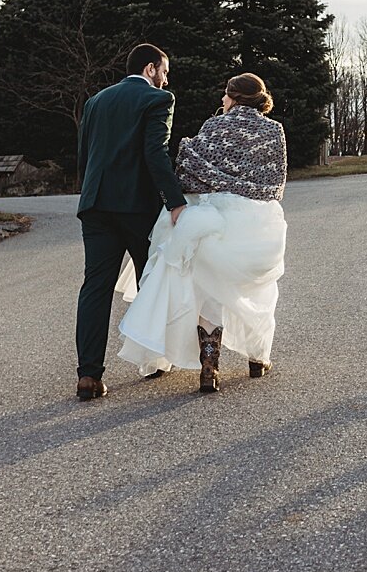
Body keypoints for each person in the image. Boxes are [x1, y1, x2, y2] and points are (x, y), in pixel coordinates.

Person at [116, 72, 288, 392]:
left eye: (225, 94)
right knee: (258, 290)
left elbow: (188, 172)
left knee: (210, 290)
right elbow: (275, 185)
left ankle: (210, 368)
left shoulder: (213, 127)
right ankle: (256, 357)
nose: (221, 100)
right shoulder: (273, 131)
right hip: (256, 222)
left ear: (234, 96)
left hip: (215, 219)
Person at [73, 43, 188, 402]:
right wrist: (176, 201)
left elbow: (84, 157)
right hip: (137, 207)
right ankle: (153, 360)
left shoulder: (95, 102)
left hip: (95, 205)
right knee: (150, 281)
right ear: (151, 68)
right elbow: (155, 153)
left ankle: (88, 376)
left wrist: (90, 194)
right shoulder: (158, 100)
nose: (166, 79)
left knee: (95, 287)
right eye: (164, 71)